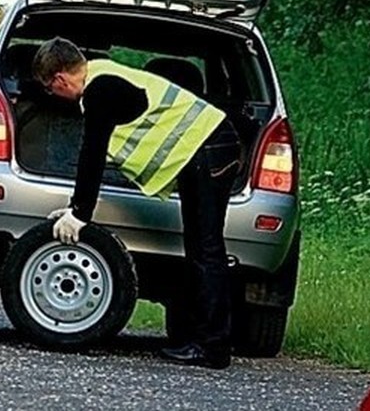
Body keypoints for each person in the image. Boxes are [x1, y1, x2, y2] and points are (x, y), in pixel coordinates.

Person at [33, 37, 243, 369]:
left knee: (206, 250)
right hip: (211, 147)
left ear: (59, 79)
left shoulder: (99, 91)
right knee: (202, 249)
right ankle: (203, 340)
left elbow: (93, 154)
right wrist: (76, 208)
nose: (54, 96)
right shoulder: (103, 76)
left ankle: (213, 347)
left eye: (49, 89)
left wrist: (79, 213)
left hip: (209, 148)